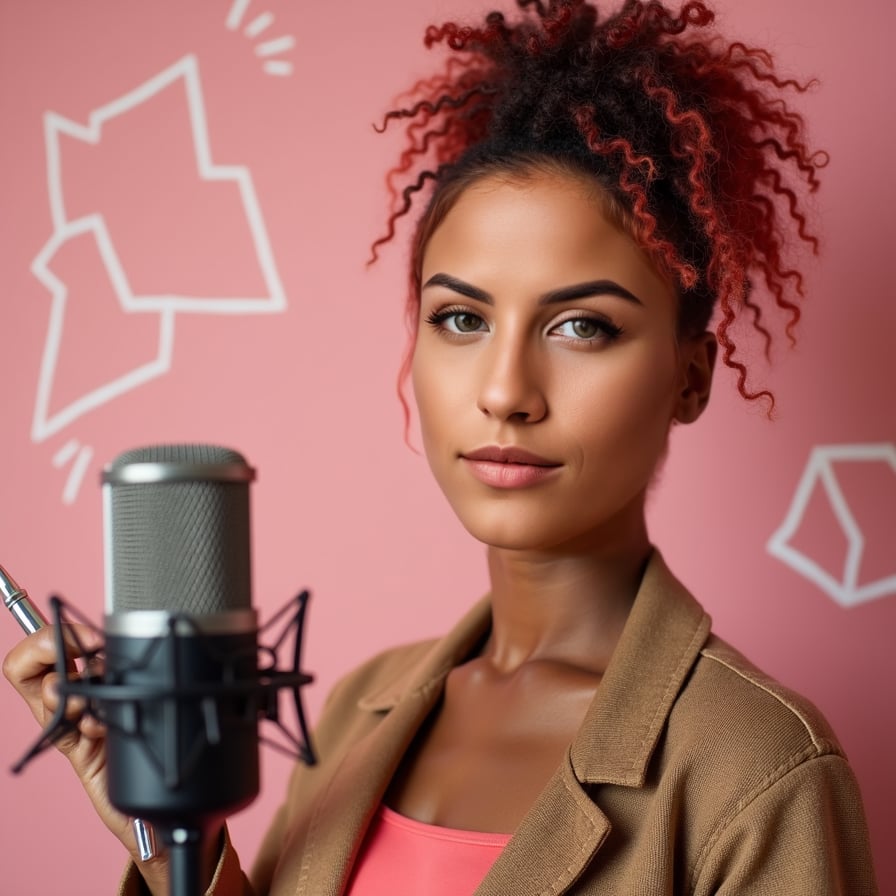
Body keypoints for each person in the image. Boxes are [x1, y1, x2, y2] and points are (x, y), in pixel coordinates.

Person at [4, 0, 878, 893]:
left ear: (691, 377)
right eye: (460, 318)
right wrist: (166, 834)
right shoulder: (359, 709)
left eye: (581, 326)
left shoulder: (761, 770)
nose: (504, 391)